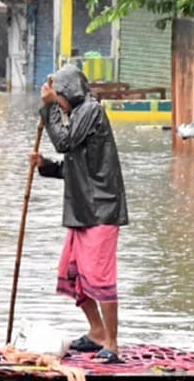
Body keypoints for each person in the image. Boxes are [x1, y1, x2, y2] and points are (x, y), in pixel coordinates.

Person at [30, 67, 129, 363]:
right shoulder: (79, 117)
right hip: (82, 210)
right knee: (72, 273)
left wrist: (46, 108)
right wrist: (46, 165)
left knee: (99, 276)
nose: (58, 102)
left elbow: (63, 141)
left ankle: (112, 344)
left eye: (58, 97)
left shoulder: (90, 111)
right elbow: (73, 165)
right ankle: (97, 331)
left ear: (68, 92)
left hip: (101, 210)